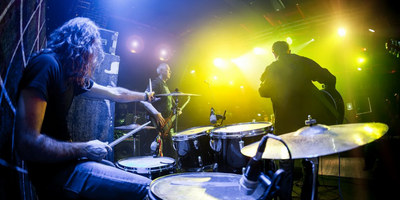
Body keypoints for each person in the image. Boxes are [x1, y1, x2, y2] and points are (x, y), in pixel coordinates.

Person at [15, 17, 155, 200]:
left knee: (115, 169)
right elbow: (27, 143)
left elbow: (115, 93)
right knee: (148, 189)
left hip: (68, 165)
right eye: (94, 53)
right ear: (83, 47)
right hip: (56, 174)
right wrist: (85, 149)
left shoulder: (72, 75)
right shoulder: (46, 65)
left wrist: (145, 96)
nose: (94, 61)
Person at [259, 41, 337, 200]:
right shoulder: (303, 61)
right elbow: (329, 77)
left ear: (274, 53)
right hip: (308, 124)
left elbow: (263, 91)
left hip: (285, 126)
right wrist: (326, 93)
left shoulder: (272, 69)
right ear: (289, 50)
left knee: (286, 168)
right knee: (310, 165)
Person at [141, 63, 178, 160]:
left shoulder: (165, 85)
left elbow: (171, 105)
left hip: (166, 124)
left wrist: (176, 110)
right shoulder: (157, 83)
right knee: (157, 152)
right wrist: (156, 113)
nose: (170, 72)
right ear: (161, 71)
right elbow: (144, 99)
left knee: (170, 150)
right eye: (168, 69)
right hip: (157, 124)